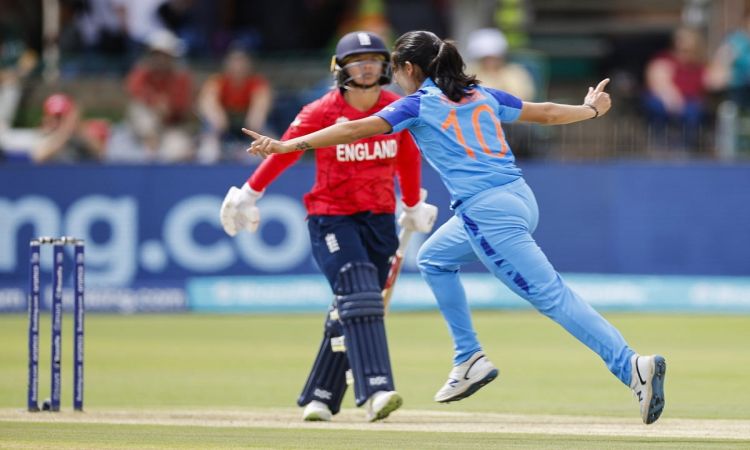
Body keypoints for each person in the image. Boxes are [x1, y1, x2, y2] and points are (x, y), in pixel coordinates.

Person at [243, 30, 667, 426]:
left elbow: (353, 128)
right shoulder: (481, 94)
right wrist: (591, 109)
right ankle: (468, 358)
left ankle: (631, 366)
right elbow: (549, 114)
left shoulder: (417, 104)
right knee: (434, 258)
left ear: (409, 70)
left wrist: (287, 145)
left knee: (552, 297)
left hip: (487, 215)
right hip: (518, 198)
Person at [219, 31, 438, 422]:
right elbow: (285, 151)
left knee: (351, 304)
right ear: (340, 69)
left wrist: (412, 203)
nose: (367, 67)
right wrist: (250, 192)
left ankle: (319, 395)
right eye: (357, 61)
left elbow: (407, 155)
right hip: (331, 216)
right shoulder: (321, 111)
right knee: (358, 287)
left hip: (380, 220)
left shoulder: (396, 107)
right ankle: (376, 390)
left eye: (373, 59)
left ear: (386, 66)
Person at [125, 29, 194, 162]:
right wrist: (154, 101)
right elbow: (132, 89)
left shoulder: (181, 76)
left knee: (178, 150)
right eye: (156, 54)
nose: (160, 59)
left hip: (172, 128)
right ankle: (149, 153)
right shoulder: (143, 71)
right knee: (138, 110)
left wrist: (169, 107)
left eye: (164, 55)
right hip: (147, 129)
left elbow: (182, 106)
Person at [197, 47, 272, 163]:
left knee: (263, 131)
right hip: (223, 127)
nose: (238, 66)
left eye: (241, 62)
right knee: (210, 130)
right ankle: (208, 158)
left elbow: (260, 109)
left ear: (249, 64)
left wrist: (255, 119)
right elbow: (206, 102)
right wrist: (216, 118)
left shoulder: (257, 83)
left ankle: (262, 158)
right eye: (234, 61)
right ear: (226, 64)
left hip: (248, 127)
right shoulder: (217, 81)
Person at [643, 27, 707, 151]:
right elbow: (658, 82)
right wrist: (672, 98)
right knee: (657, 107)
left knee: (693, 111)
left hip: (690, 102)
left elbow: (713, 80)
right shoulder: (664, 60)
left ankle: (686, 147)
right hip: (664, 99)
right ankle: (659, 144)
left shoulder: (699, 64)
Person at [32, 93, 108, 163]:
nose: (60, 120)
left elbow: (101, 153)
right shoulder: (45, 135)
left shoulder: (81, 132)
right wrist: (67, 129)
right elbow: (39, 157)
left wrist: (78, 129)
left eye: (63, 116)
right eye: (57, 116)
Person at [466, 28, 535, 101]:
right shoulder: (469, 73)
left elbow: (521, 97)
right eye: (486, 58)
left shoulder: (515, 73)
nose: (490, 62)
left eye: (494, 58)